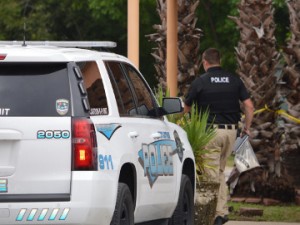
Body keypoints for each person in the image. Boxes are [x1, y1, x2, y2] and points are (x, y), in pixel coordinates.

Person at [184, 48, 254, 225]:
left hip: (210, 133)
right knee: (220, 172)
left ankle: (211, 215)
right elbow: (249, 106)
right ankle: (221, 213)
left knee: (211, 174)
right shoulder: (234, 80)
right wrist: (246, 128)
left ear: (204, 62)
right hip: (231, 132)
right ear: (219, 61)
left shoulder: (200, 82)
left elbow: (186, 108)